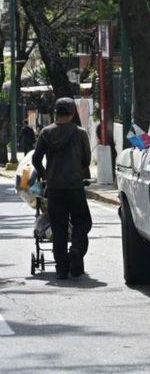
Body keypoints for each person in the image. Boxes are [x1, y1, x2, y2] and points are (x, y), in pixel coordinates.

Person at [32, 98, 92, 280]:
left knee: (58, 228)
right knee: (83, 223)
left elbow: (36, 159)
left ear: (56, 112)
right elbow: (87, 161)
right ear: (73, 113)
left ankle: (61, 269)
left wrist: (44, 174)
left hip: (55, 188)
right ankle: (76, 250)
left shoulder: (46, 133)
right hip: (75, 187)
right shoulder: (80, 134)